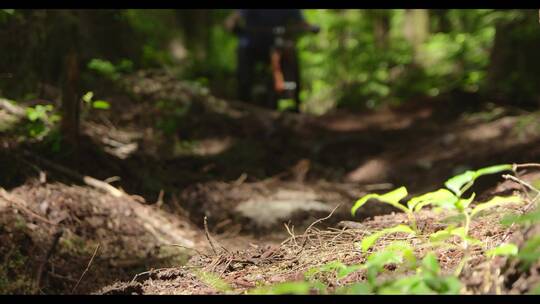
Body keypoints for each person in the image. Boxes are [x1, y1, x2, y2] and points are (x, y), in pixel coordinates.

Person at [225, 9, 319, 110]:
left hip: (275, 44)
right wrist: (232, 25)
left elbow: (302, 22)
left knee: (290, 53)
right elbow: (233, 19)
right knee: (244, 66)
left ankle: (294, 100)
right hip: (251, 44)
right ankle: (243, 102)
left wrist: (311, 27)